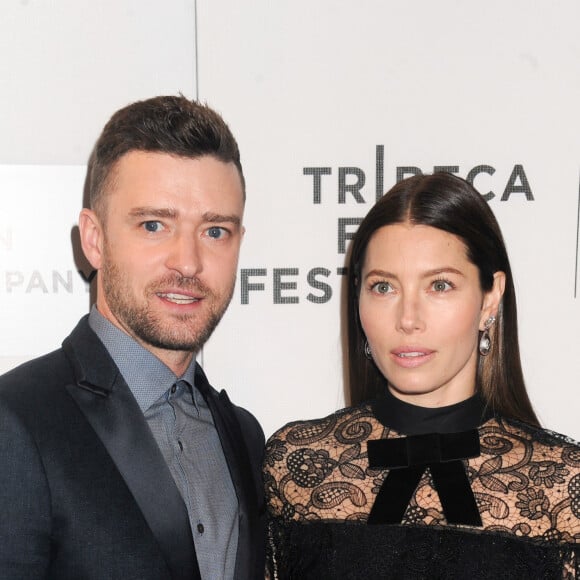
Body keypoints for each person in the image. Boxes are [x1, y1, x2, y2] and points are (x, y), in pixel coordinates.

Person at [264, 172, 580, 579]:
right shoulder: (297, 466)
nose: (408, 319)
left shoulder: (563, 486)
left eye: (440, 285)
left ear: (490, 297)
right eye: (384, 288)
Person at [0, 95, 265, 580]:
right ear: (94, 239)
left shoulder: (244, 435)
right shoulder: (15, 420)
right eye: (153, 225)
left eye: (215, 231)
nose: (187, 262)